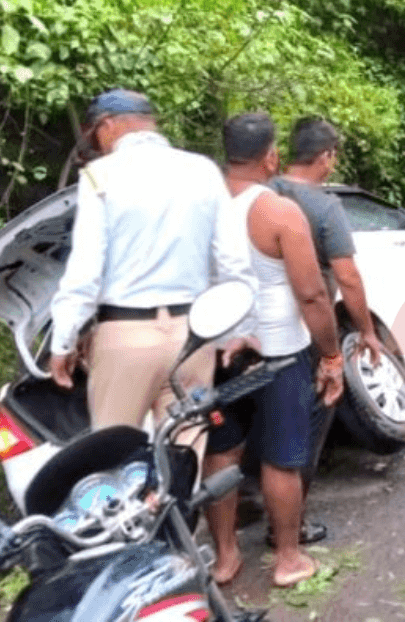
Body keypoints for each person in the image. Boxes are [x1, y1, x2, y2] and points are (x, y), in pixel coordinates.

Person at [47, 89, 257, 448]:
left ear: (109, 126)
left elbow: (85, 271)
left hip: (126, 338)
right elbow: (234, 263)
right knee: (184, 458)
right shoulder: (203, 171)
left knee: (114, 458)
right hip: (192, 338)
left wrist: (62, 342)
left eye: (96, 133)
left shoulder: (99, 175)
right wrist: (234, 331)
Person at [203, 113, 344, 588]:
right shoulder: (278, 211)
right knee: (282, 456)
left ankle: (224, 558)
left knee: (221, 452)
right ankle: (288, 558)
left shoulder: (203, 206)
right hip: (279, 351)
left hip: (222, 350)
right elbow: (311, 294)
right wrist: (330, 355)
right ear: (271, 156)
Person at [266, 116, 388, 546]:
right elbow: (348, 279)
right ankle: (289, 527)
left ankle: (251, 501)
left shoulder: (262, 194)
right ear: (325, 157)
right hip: (303, 330)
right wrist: (367, 333)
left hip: (253, 329)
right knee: (308, 426)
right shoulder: (324, 207)